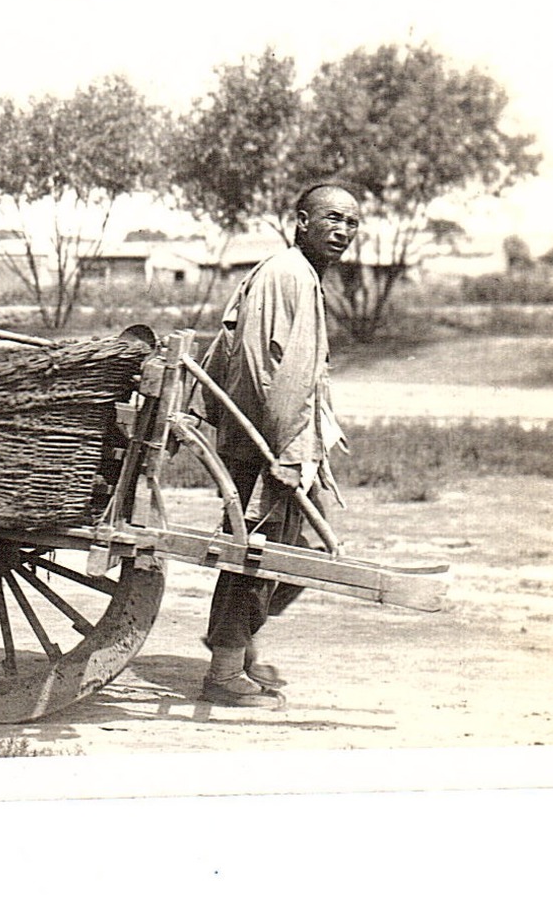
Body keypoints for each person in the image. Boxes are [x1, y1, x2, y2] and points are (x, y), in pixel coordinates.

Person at [197, 182, 359, 709]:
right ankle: (225, 669)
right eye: (332, 218)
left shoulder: (298, 275)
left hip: (271, 436)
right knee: (261, 552)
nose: (342, 231)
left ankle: (238, 651)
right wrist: (286, 453)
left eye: (352, 223)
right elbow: (259, 365)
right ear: (301, 220)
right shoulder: (286, 275)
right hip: (266, 442)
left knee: (290, 549)